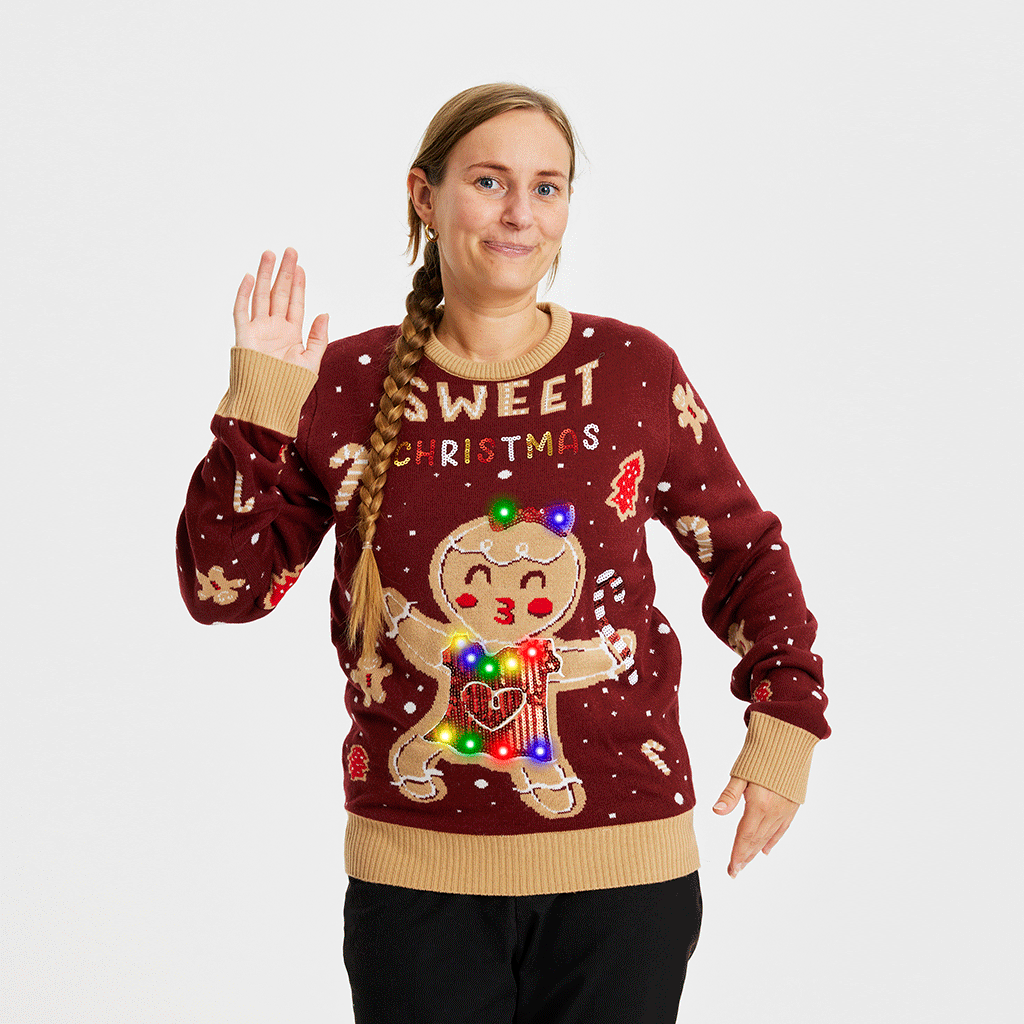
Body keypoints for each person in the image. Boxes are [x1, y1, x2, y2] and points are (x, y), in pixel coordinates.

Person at [176, 82, 830, 1024]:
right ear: (424, 195)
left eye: (548, 187)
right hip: (416, 878)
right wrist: (260, 407)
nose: (522, 212)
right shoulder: (345, 384)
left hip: (624, 873)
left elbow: (744, 553)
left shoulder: (633, 372)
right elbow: (224, 590)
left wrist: (788, 725)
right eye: (489, 181)